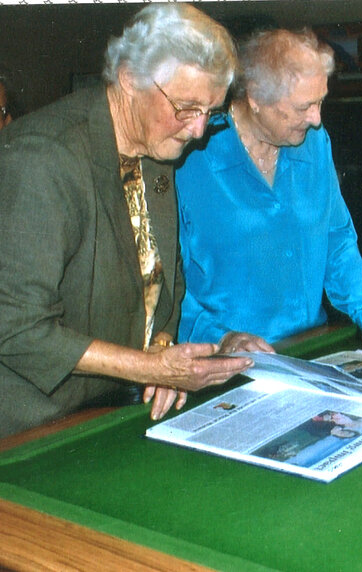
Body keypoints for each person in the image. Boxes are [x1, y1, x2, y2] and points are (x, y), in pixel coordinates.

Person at [0, 5, 250, 439]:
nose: (197, 130)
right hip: (23, 430)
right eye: (187, 107)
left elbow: (161, 281)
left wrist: (162, 347)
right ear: (130, 78)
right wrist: (152, 368)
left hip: (100, 413)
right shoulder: (42, 158)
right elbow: (15, 326)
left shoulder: (155, 150)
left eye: (211, 111)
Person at [175, 28, 362, 356]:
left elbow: (337, 239)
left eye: (320, 102)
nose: (316, 118)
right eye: (304, 106)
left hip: (307, 348)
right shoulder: (192, 157)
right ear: (256, 97)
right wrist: (222, 338)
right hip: (222, 362)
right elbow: (170, 279)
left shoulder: (315, 142)